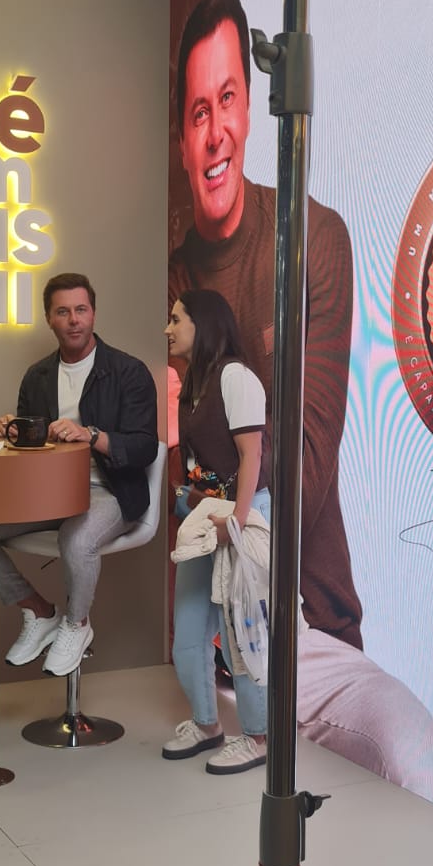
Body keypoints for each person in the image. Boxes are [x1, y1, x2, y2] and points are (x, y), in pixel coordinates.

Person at [169, 0, 433, 814]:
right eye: (197, 110)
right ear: (182, 136)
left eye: (230, 98)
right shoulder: (173, 272)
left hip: (298, 616)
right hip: (206, 613)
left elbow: (302, 462)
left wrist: (221, 504)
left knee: (419, 772)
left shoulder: (312, 237)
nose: (216, 128)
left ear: (251, 107)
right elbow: (176, 466)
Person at [0, 273, 158, 678]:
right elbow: (30, 449)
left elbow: (144, 447)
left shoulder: (128, 371)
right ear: (49, 319)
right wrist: (13, 431)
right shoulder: (38, 376)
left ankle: (76, 625)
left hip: (110, 491)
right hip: (50, 493)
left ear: (93, 313)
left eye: (81, 310)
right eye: (63, 312)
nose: (73, 320)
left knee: (76, 540)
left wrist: (90, 435)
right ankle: (39, 610)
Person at [164, 290, 269, 775]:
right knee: (188, 634)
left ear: (202, 324)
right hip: (208, 517)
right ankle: (207, 724)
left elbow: (252, 454)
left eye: (176, 320)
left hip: (240, 516)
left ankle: (259, 737)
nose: (168, 329)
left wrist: (238, 522)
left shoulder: (235, 376)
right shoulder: (194, 382)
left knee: (240, 636)